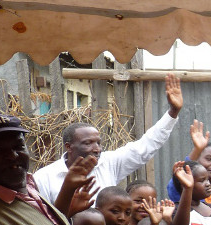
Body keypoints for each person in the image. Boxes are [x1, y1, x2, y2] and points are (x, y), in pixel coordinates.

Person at [33, 73, 184, 204]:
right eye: (88, 143)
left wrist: (173, 112)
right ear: (68, 146)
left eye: (98, 143)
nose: (96, 148)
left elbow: (145, 146)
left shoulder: (108, 163)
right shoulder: (44, 178)